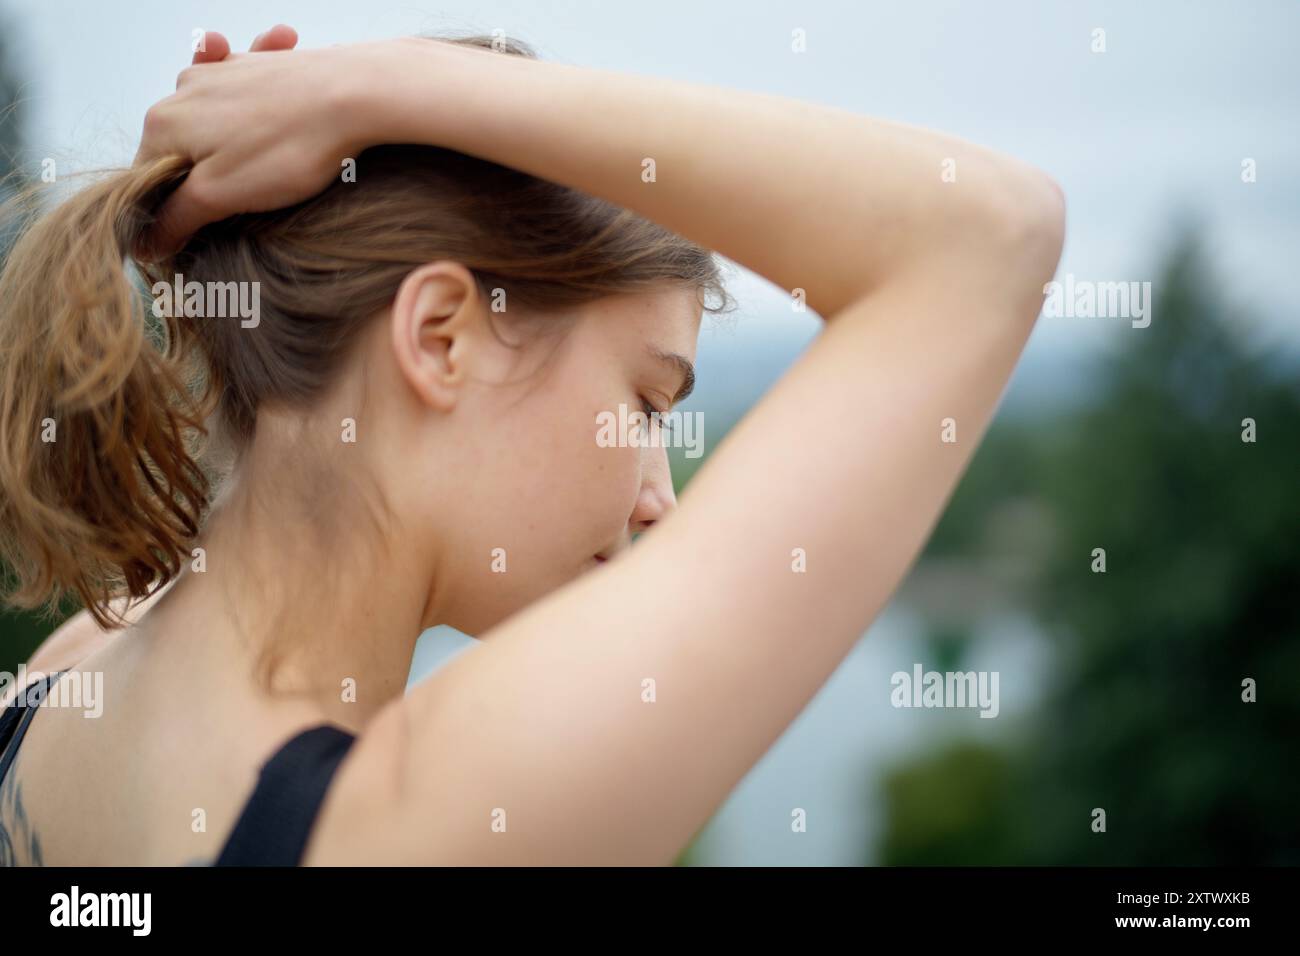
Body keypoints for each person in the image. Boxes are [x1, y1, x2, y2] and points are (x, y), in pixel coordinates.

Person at [0, 25, 1064, 865]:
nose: (662, 498)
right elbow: (989, 234)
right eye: (647, 402)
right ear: (440, 338)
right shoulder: (422, 822)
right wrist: (382, 85)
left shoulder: (58, 680)